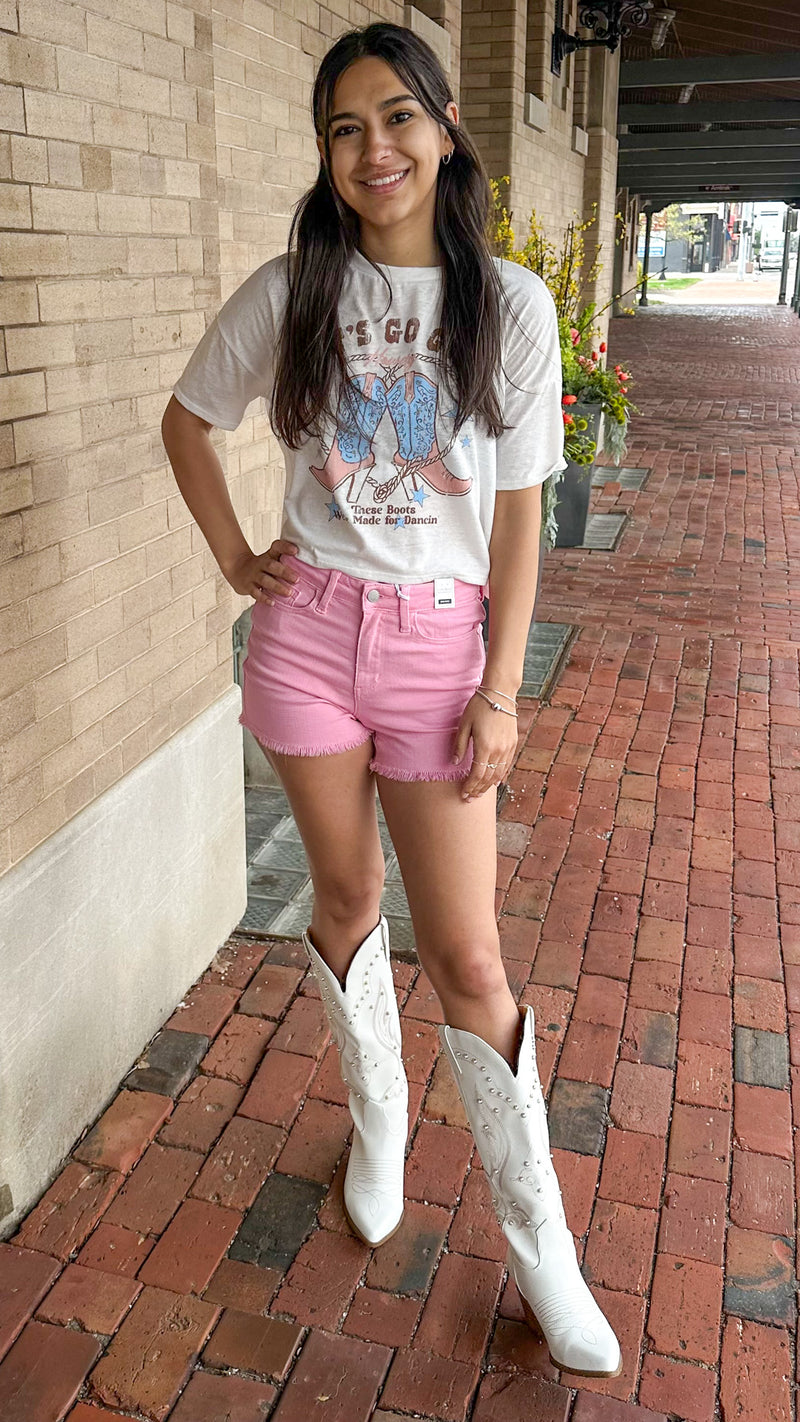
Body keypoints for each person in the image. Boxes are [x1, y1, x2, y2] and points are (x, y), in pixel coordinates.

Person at [162, 21, 621, 1380]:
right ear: (326, 151)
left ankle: (541, 1245)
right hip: (307, 638)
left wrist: (501, 691)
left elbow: (521, 515)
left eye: (399, 117)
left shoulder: (511, 305)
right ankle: (379, 1119)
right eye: (346, 127)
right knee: (346, 897)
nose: (376, 149)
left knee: (469, 959)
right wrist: (236, 559)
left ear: (445, 130)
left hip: (438, 652)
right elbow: (189, 420)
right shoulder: (296, 289)